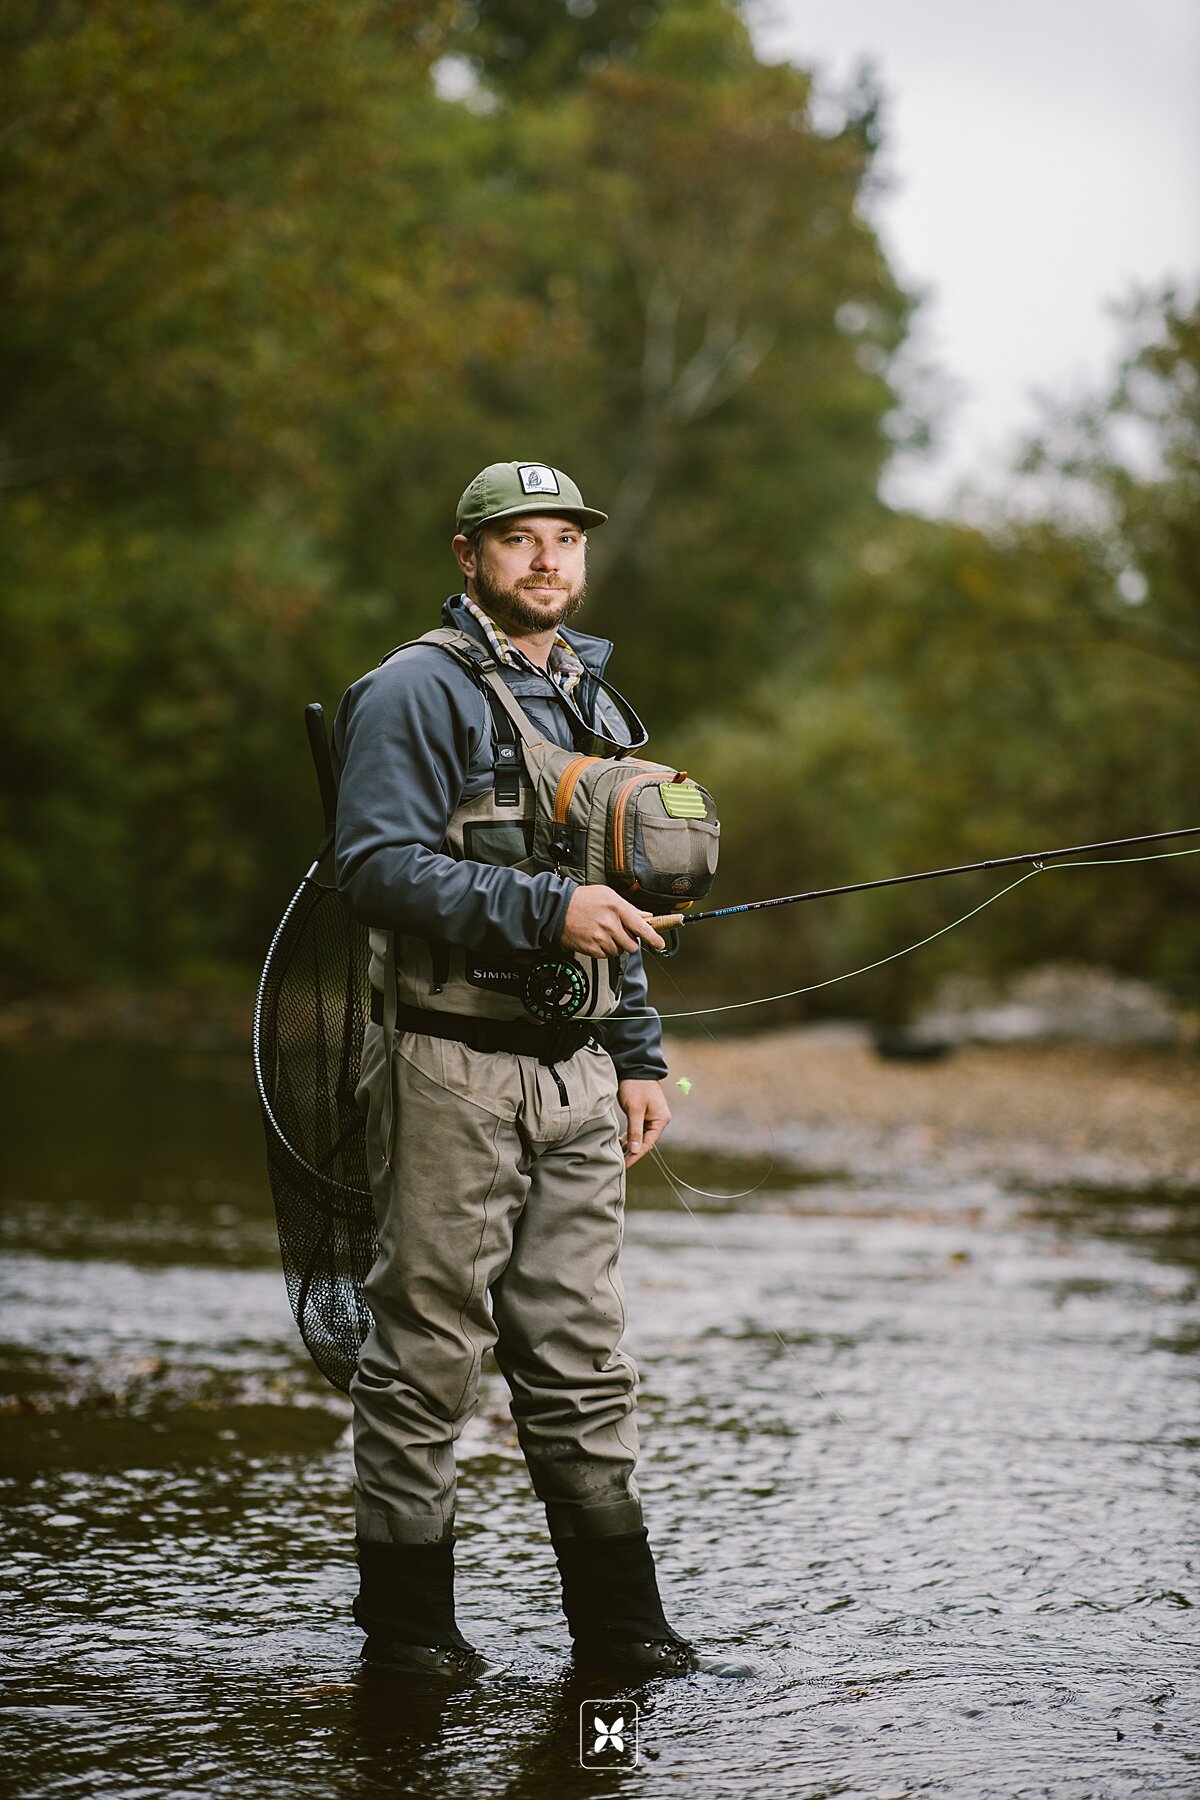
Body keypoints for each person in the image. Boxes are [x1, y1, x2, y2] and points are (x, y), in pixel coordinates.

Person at [332, 460, 696, 1680]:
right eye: (519, 541)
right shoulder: (411, 692)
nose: (547, 560)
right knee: (426, 1355)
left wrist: (639, 1055)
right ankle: (412, 1642)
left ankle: (623, 1636)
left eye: (564, 540)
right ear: (468, 555)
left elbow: (619, 898)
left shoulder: (592, 697)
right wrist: (549, 912)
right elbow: (373, 867)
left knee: (585, 1361)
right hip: (447, 1065)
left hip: (583, 1078)